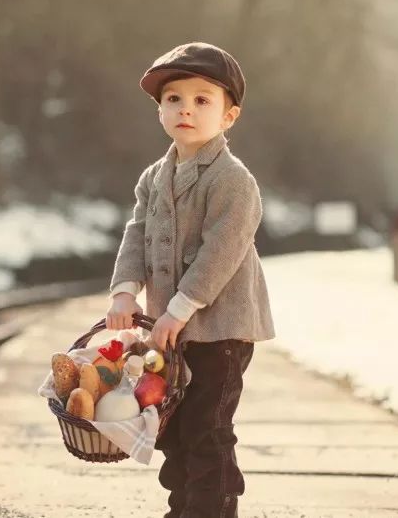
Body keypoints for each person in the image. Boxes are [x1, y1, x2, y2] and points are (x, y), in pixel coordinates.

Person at [105, 41, 276, 517]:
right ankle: (184, 510)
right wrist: (124, 291)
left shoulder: (232, 181)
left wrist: (178, 308)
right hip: (170, 331)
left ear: (229, 116)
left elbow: (220, 254)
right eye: (174, 99)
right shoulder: (155, 177)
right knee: (174, 431)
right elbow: (137, 234)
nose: (186, 109)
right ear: (160, 110)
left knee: (208, 428)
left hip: (219, 330)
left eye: (203, 100)